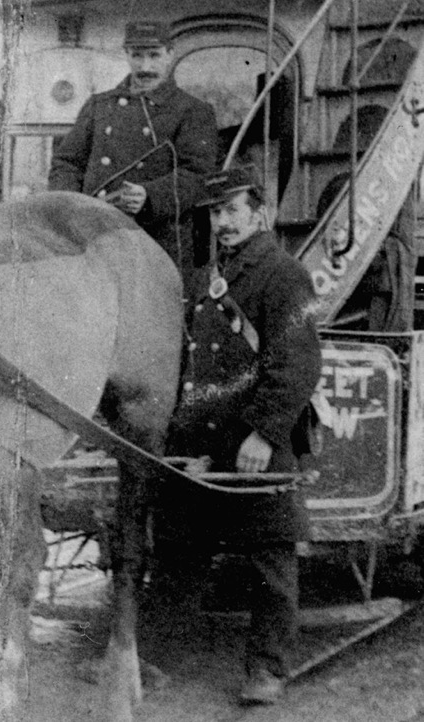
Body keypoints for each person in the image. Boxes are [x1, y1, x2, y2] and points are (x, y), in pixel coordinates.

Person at [157, 164, 322, 704]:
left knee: (270, 562)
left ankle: (266, 670)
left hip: (257, 444)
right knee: (180, 554)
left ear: (260, 214)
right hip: (203, 441)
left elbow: (295, 366)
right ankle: (156, 657)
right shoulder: (205, 277)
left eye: (232, 211)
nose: (223, 222)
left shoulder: (284, 274)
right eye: (215, 213)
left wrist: (265, 434)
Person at [48, 20, 218, 298]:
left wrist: (150, 196)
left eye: (154, 55)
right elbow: (66, 163)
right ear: (126, 54)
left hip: (157, 244)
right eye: (137, 55)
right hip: (95, 240)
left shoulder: (192, 112)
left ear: (170, 54)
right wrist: (71, 208)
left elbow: (198, 175)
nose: (145, 67)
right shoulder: (99, 105)